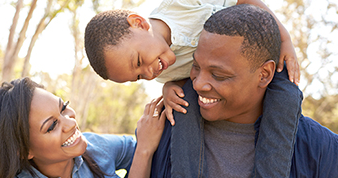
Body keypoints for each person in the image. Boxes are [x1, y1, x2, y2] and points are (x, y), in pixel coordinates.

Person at [85, 0, 301, 177]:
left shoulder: (181, 5)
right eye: (139, 76)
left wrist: (284, 40)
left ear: (139, 23)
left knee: (288, 96)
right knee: (184, 104)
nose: (150, 74)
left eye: (140, 61)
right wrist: (169, 87)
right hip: (222, 88)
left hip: (256, 64)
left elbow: (245, 2)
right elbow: (188, 79)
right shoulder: (163, 70)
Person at [154, 4, 338, 177]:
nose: (197, 84)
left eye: (219, 75)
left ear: (264, 74)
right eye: (196, 66)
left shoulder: (320, 149)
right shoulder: (162, 134)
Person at [0, 77, 166, 178]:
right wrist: (144, 151)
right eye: (52, 125)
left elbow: (153, 151)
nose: (71, 123)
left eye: (63, 108)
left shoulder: (94, 147)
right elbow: (143, 148)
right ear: (23, 150)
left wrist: (173, 89)